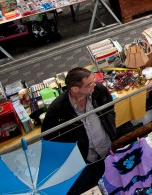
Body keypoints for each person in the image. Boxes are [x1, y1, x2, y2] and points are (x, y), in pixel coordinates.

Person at [42, 67, 116, 195]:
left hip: (105, 149)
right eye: (89, 84)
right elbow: (49, 138)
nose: (94, 84)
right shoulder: (57, 109)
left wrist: (111, 127)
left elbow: (109, 107)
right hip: (84, 161)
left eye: (93, 81)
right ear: (75, 89)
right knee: (90, 189)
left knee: (114, 182)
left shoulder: (98, 90)